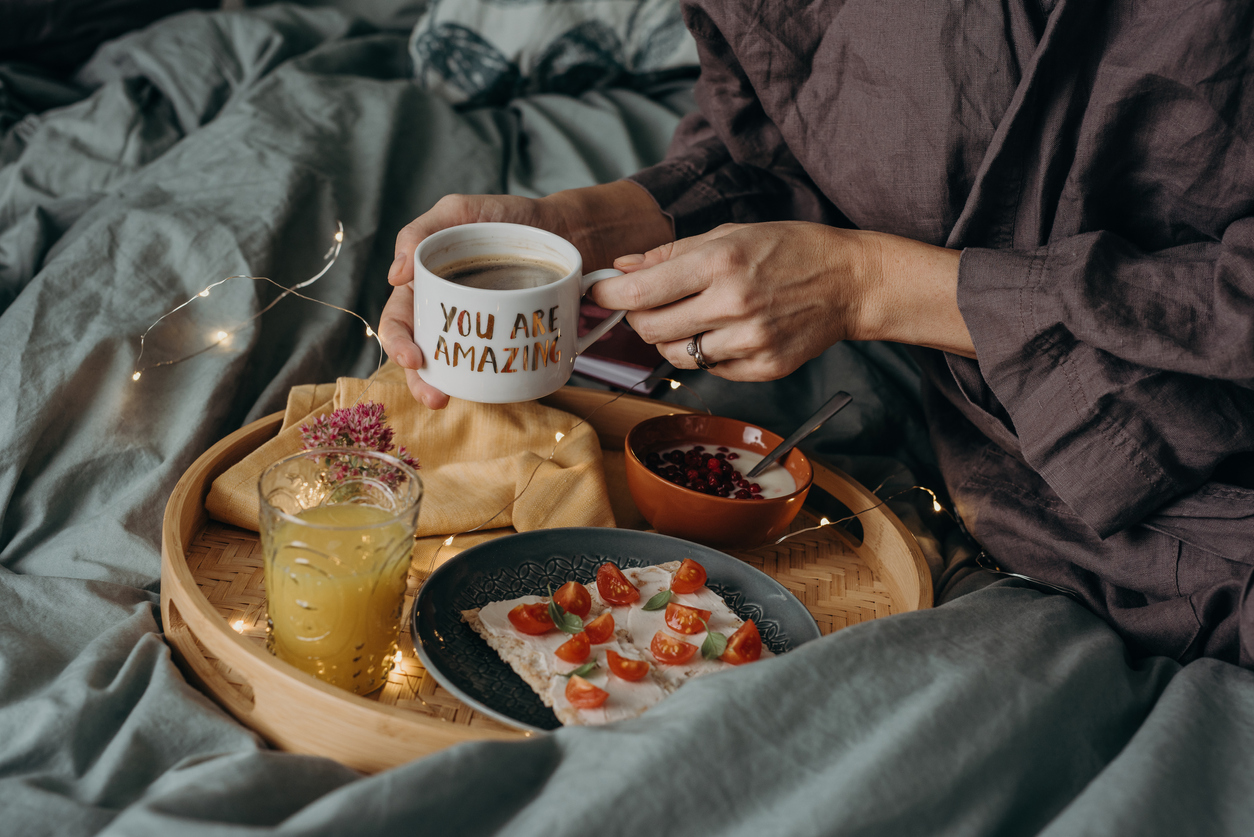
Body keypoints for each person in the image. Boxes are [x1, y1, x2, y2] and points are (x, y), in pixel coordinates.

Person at [379, 0, 1254, 667]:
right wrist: (590, 224)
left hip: (1206, 533)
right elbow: (786, 138)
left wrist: (871, 285)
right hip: (971, 471)